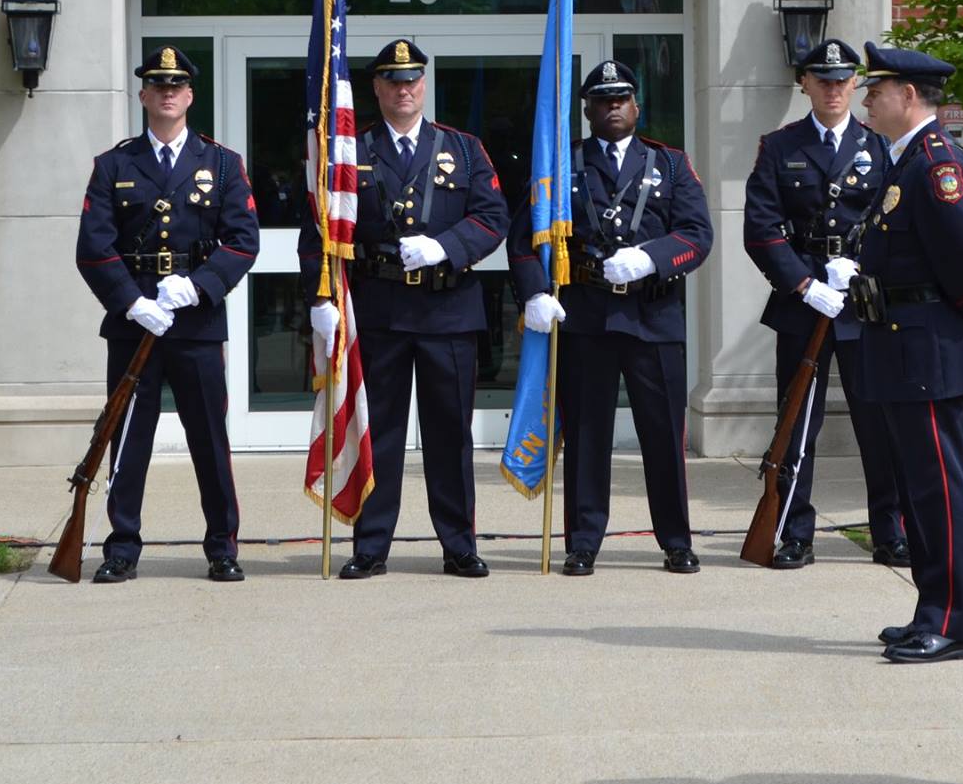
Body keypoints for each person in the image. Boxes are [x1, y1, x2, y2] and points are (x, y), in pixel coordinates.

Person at [300, 39, 509, 579]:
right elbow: (318, 233)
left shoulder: (463, 149)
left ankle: (459, 544)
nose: (404, 89)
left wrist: (446, 246)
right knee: (380, 433)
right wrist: (321, 298)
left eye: (412, 79)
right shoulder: (350, 151)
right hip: (379, 311)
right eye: (393, 81)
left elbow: (492, 217)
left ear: (425, 84)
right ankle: (371, 546)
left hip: (448, 312)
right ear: (376, 88)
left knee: (449, 436)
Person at [509, 59, 713, 577]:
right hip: (587, 317)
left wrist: (651, 258)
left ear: (637, 106)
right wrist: (534, 293)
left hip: (653, 316)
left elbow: (697, 233)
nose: (614, 106)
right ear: (587, 109)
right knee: (586, 436)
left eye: (622, 98)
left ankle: (675, 539)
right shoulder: (562, 165)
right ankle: (582, 541)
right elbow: (525, 241)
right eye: (603, 100)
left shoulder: (669, 165)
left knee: (663, 436)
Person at [75, 46, 259, 583]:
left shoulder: (222, 163)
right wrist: (132, 302)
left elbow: (243, 240)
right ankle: (122, 547)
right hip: (136, 325)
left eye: (177, 85)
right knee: (128, 437)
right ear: (143, 95)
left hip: (196, 323)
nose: (168, 93)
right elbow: (93, 246)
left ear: (190, 95)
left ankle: (222, 545)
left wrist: (198, 287)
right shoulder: (114, 164)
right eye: (157, 84)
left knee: (209, 438)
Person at [851, 42, 963, 664]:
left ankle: (952, 622)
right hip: (899, 344)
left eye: (877, 90)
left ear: (908, 96)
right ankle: (929, 609)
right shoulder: (905, 161)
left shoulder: (937, 164)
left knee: (939, 489)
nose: (867, 99)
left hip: (928, 347)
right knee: (919, 489)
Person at [741, 38, 906, 569]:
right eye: (822, 79)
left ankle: (890, 532)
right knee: (796, 423)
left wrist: (864, 269)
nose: (833, 88)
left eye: (843, 80)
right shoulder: (779, 146)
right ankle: (794, 530)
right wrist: (805, 284)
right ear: (804, 84)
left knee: (878, 421)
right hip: (803, 300)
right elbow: (761, 228)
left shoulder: (881, 146)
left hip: (865, 299)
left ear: (856, 84)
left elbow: (900, 222)